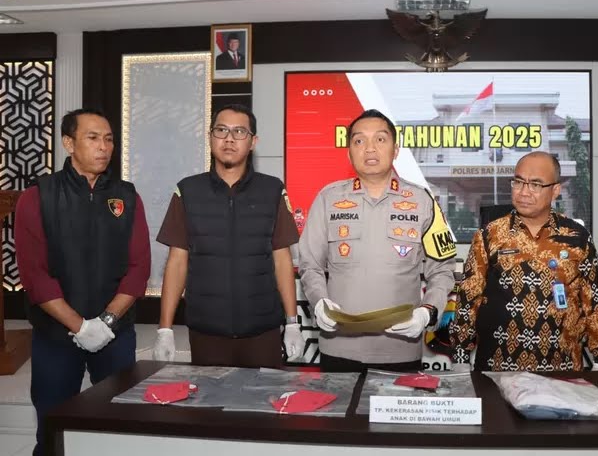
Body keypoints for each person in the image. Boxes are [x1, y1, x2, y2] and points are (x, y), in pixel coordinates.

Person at [15, 109, 151, 456]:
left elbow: (139, 268)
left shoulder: (127, 196)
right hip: (56, 334)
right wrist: (80, 326)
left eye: (108, 139)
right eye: (93, 138)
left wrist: (105, 322)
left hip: (115, 333)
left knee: (119, 428)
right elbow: (35, 275)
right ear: (68, 143)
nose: (103, 147)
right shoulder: (38, 196)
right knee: (54, 432)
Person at [298, 109, 456, 372]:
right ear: (349, 153)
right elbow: (310, 265)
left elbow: (442, 269)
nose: (369, 148)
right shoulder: (328, 198)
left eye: (380, 139)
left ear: (396, 150)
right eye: (359, 141)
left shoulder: (422, 200)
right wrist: (319, 301)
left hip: (401, 348)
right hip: (338, 348)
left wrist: (426, 311)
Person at [152, 104, 303, 368]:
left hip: (262, 332)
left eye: (239, 132)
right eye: (221, 130)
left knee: (264, 395)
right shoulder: (188, 191)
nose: (229, 139)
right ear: (210, 137)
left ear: (253, 142)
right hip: (207, 333)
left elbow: (282, 259)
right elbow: (177, 262)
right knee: (208, 396)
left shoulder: (272, 190)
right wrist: (164, 328)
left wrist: (292, 322)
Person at [450, 151, 598, 372]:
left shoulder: (577, 237)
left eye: (535, 185)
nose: (523, 192)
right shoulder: (490, 235)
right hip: (497, 370)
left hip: (562, 370)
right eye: (518, 182)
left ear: (555, 190)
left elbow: (595, 300)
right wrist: (460, 355)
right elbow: (468, 298)